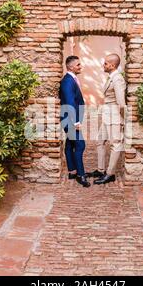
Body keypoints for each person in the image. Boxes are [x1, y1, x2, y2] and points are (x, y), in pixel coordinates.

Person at [88, 54, 126, 185]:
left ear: (112, 65)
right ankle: (100, 169)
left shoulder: (118, 79)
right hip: (107, 115)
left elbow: (121, 102)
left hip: (114, 115)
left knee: (115, 144)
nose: (103, 65)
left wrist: (123, 118)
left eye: (105, 63)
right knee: (100, 141)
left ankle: (110, 174)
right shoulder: (111, 78)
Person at [59, 56, 91, 188]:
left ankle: (72, 171)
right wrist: (76, 121)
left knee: (69, 145)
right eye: (78, 65)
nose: (80, 66)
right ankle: (80, 175)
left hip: (69, 119)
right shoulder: (67, 81)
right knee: (80, 145)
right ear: (71, 67)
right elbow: (70, 102)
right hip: (70, 119)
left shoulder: (71, 79)